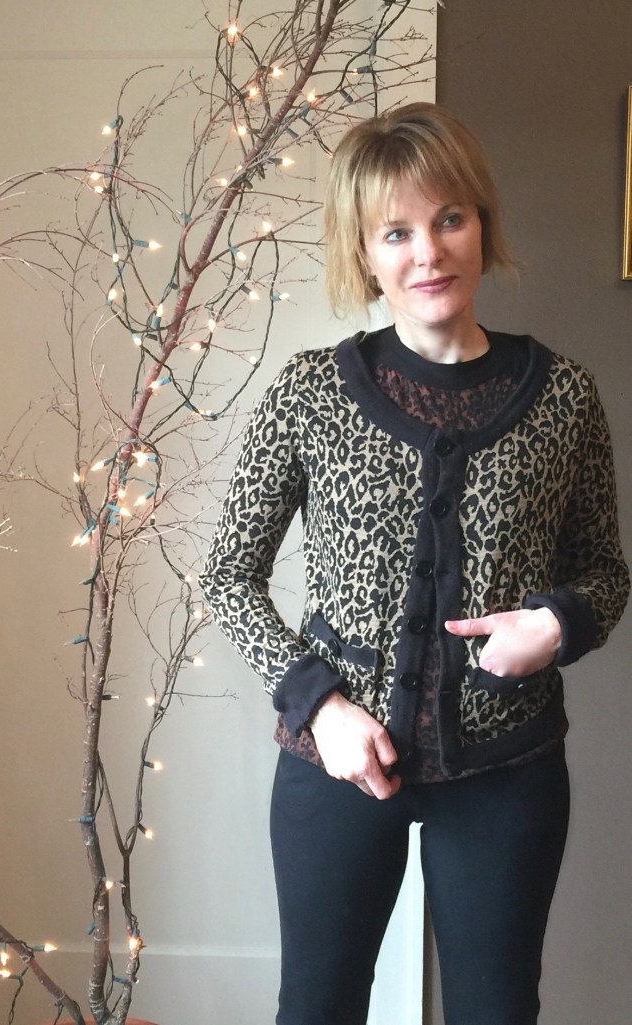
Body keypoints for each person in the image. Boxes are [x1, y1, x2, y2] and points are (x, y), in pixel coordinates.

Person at [199, 102, 629, 1025]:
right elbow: (228, 572)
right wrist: (322, 708)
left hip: (509, 769)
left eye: (449, 219)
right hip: (337, 765)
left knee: (497, 1011)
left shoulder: (563, 396)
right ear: (364, 252)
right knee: (316, 1008)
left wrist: (555, 624)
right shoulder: (309, 393)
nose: (428, 252)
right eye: (396, 231)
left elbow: (606, 571)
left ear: (482, 225)